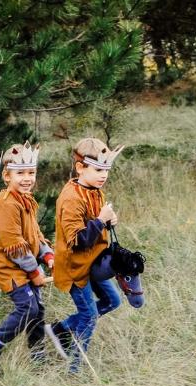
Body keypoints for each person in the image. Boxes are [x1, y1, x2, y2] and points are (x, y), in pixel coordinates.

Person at [0, 142, 57, 375]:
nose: (27, 178)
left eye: (31, 173)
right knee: (27, 307)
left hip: (26, 264)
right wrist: (34, 272)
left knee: (38, 309)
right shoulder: (5, 204)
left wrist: (47, 255)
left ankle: (37, 353)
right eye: (20, 173)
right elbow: (15, 246)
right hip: (9, 268)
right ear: (6, 175)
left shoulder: (26, 199)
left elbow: (34, 235)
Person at [46, 138, 126, 372]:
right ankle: (75, 367)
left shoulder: (94, 190)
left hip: (94, 264)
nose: (104, 175)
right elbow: (78, 241)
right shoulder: (71, 198)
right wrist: (100, 220)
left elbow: (97, 226)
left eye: (106, 170)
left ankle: (60, 329)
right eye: (98, 169)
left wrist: (109, 221)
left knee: (113, 301)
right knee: (89, 315)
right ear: (80, 167)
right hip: (75, 268)